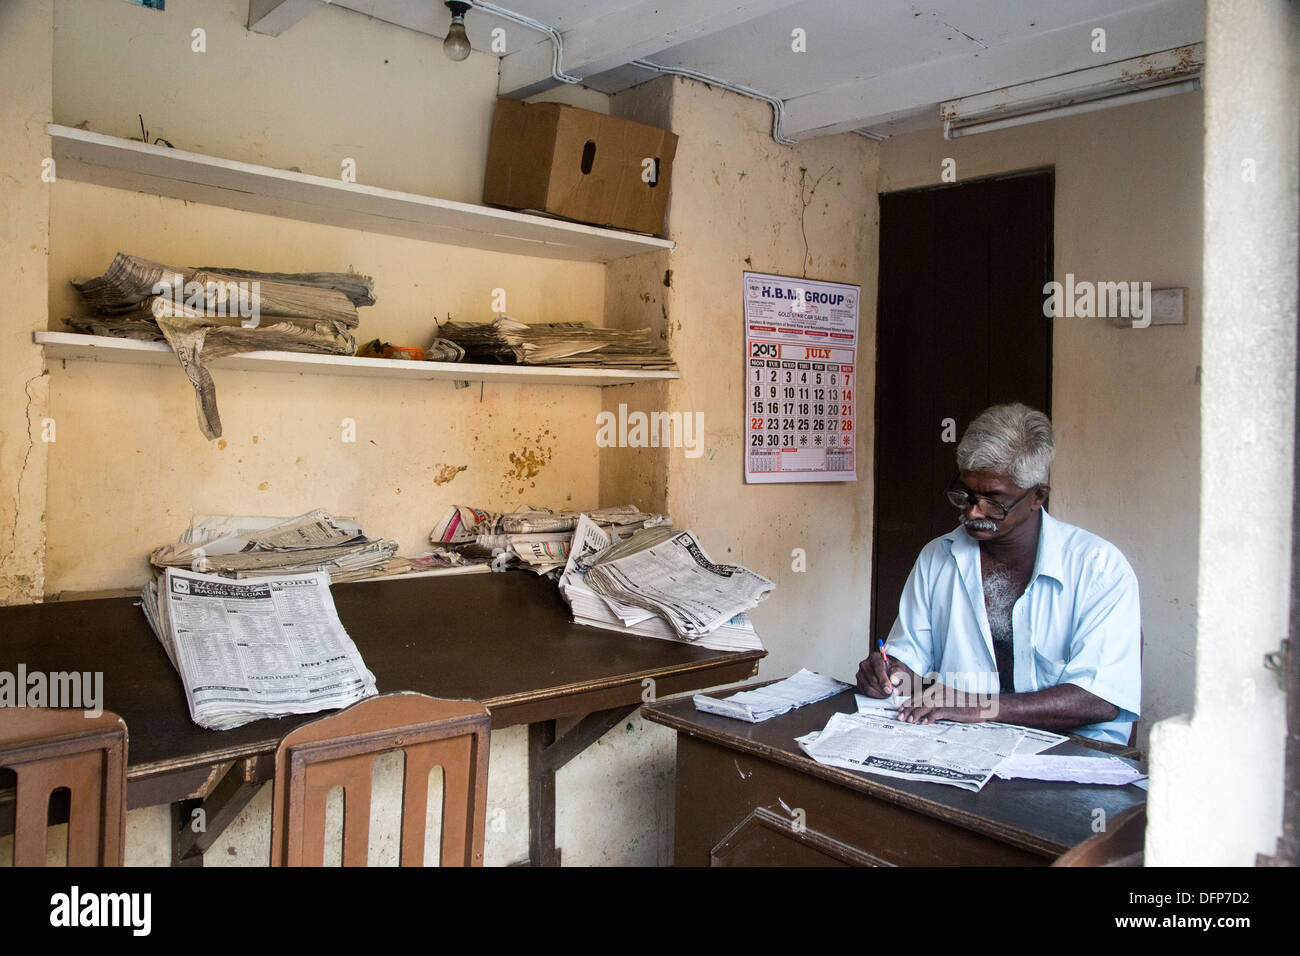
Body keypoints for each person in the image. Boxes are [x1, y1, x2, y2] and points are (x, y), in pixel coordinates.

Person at [857, 403, 1141, 745]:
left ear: (1038, 496)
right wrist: (889, 674)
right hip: (960, 744)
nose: (974, 511)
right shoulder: (938, 557)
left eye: (994, 499)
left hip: (1071, 754)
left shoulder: (1099, 569)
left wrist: (981, 707)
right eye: (966, 494)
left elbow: (1100, 699)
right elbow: (909, 662)